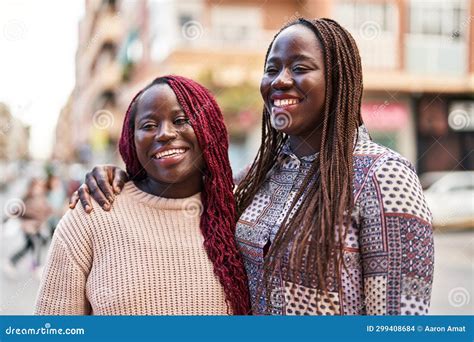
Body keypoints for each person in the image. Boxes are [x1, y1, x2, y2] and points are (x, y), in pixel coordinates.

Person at [70, 18, 434, 315]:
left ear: (338, 78)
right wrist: (123, 178)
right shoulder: (256, 178)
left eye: (300, 67)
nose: (280, 80)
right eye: (272, 68)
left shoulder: (382, 175)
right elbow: (178, 195)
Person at [36, 75, 250, 315]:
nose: (165, 134)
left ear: (209, 129)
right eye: (149, 125)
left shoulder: (242, 213)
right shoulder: (90, 216)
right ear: (132, 140)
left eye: (181, 120)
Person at [4, 178, 51, 276]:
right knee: (36, 243)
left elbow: (47, 210)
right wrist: (6, 218)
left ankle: (11, 262)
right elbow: (17, 210)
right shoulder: (27, 199)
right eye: (37, 187)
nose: (39, 189)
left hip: (37, 227)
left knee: (27, 247)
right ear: (32, 188)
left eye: (40, 187)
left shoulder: (42, 198)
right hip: (28, 227)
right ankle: (36, 267)